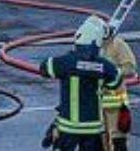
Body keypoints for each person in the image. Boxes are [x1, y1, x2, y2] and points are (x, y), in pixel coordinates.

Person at [39, 16, 124, 151]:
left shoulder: (65, 62)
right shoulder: (104, 66)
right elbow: (116, 82)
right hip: (93, 128)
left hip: (68, 127)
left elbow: (44, 68)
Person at [101, 33, 137, 151]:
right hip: (95, 105)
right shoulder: (89, 46)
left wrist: (110, 72)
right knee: (98, 140)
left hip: (115, 104)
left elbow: (130, 68)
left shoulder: (118, 45)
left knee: (117, 141)